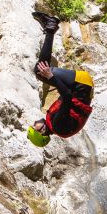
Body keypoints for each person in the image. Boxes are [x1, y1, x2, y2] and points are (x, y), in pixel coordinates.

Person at [27, 11, 94, 147]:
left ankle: (50, 27)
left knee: (41, 71)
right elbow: (67, 96)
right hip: (81, 85)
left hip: (81, 88)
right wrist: (51, 77)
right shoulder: (58, 124)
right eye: (35, 127)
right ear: (42, 131)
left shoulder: (57, 126)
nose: (35, 123)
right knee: (40, 71)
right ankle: (50, 26)